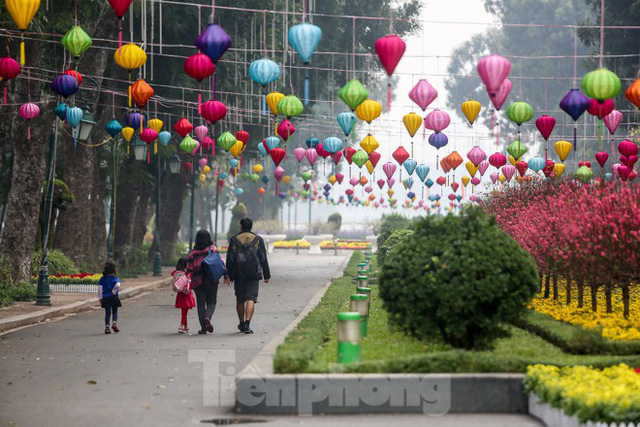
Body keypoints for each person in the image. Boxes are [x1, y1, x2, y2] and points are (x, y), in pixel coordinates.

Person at [226, 218, 271, 334]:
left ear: (241, 226)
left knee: (240, 299)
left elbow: (230, 259)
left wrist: (229, 275)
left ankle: (241, 323)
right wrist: (267, 275)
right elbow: (263, 258)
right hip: (254, 273)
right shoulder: (258, 240)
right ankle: (247, 323)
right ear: (251, 226)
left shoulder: (234, 240)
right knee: (251, 298)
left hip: (238, 273)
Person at [186, 229, 229, 334]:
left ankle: (203, 328)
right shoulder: (213, 249)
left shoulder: (193, 253)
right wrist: (226, 275)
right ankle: (208, 317)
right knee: (212, 302)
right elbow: (220, 263)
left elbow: (189, 269)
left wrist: (187, 278)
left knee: (201, 304)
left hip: (197, 281)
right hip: (211, 279)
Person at [171, 257, 196, 334]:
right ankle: (181, 326)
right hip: (187, 293)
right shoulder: (188, 272)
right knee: (185, 311)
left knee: (184, 311)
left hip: (180, 293)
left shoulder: (176, 272)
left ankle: (186, 326)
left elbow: (173, 274)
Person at [98, 261, 121, 334]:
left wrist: (100, 298)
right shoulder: (115, 278)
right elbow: (118, 285)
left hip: (105, 297)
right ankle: (114, 323)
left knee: (107, 313)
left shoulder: (102, 279)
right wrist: (114, 290)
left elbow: (100, 289)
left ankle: (107, 328)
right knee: (115, 311)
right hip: (113, 297)